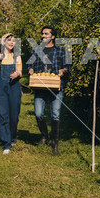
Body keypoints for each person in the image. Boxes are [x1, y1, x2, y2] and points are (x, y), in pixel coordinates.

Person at [28, 26, 69, 155]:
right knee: (39, 113)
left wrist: (63, 71)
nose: (43, 36)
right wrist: (30, 70)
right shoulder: (37, 50)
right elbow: (30, 65)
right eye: (42, 34)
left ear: (52, 36)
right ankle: (44, 135)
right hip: (40, 86)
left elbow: (67, 66)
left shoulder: (61, 51)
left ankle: (54, 143)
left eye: (46, 34)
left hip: (56, 86)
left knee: (55, 114)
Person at [0, 33, 22, 155]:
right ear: (3, 42)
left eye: (13, 41)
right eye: (8, 40)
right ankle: (6, 143)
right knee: (2, 114)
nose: (11, 43)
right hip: (1, 88)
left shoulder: (17, 55)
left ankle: (13, 137)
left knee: (14, 115)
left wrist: (17, 74)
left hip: (14, 87)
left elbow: (20, 71)